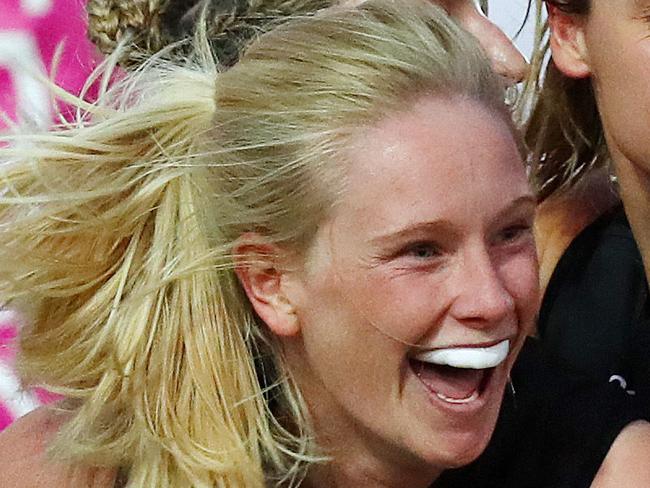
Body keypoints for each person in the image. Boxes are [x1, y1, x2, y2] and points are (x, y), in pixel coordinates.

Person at [0, 1, 541, 486]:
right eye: (422, 251)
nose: (490, 299)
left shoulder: (603, 461)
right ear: (270, 281)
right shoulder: (68, 468)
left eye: (511, 233)